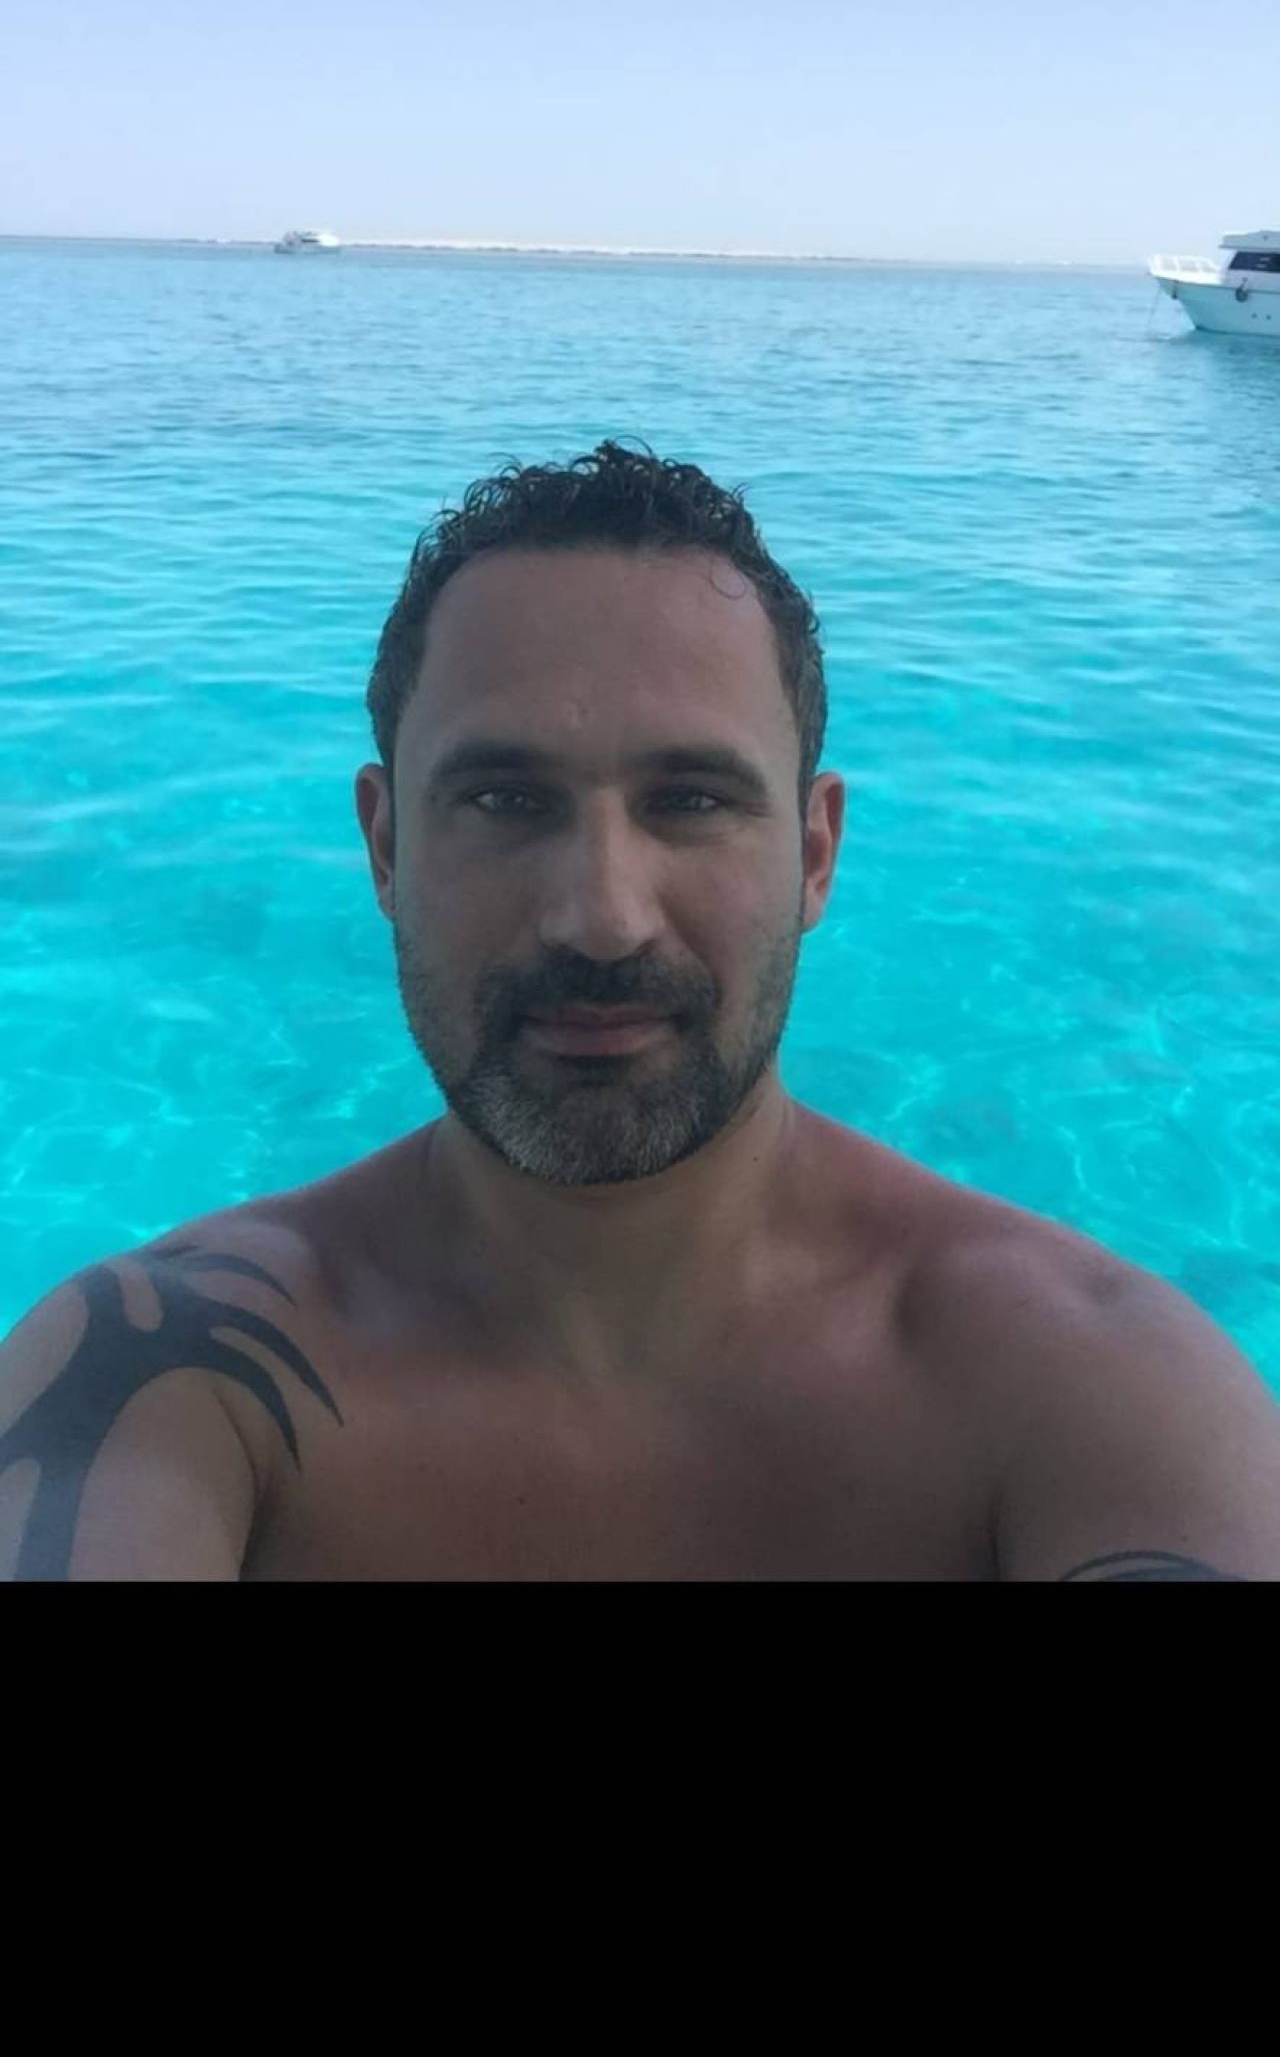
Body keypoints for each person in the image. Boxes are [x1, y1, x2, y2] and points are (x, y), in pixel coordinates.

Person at [3, 439, 1278, 1582]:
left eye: (691, 800)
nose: (601, 918)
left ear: (815, 853)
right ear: (384, 847)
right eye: (505, 799)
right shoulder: (177, 1375)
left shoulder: (1082, 1388)